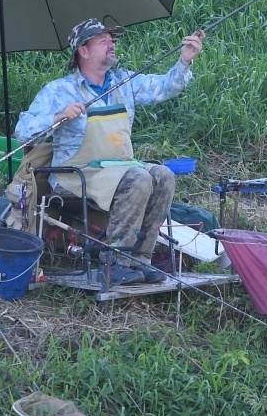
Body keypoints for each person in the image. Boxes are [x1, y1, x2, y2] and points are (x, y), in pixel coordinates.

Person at [15, 18, 205, 286]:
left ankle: (140, 259)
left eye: (112, 40)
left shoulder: (123, 82)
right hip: (76, 174)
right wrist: (57, 116)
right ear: (83, 50)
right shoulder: (59, 91)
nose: (112, 44)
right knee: (138, 178)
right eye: (103, 41)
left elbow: (164, 88)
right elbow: (23, 131)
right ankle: (116, 262)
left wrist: (184, 61)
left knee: (163, 175)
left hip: (118, 168)